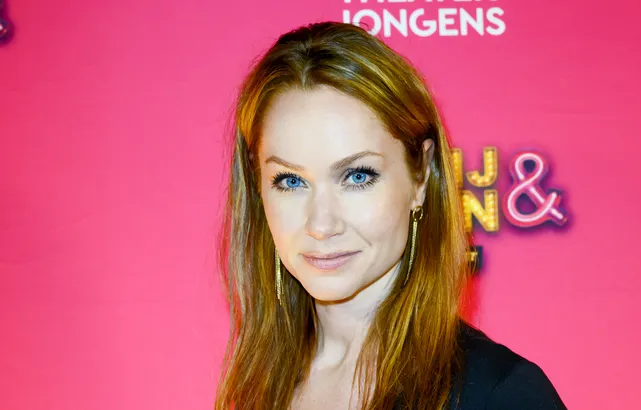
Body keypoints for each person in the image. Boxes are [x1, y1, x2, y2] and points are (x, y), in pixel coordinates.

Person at [216, 21, 567, 410]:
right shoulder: (257, 386)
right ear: (257, 186)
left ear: (421, 176)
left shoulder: (501, 394)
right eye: (290, 181)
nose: (321, 225)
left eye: (357, 176)